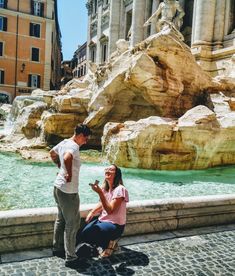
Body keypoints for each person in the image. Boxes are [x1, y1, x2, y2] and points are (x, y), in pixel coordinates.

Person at [50, 124, 92, 269]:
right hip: (68, 191)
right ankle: (71, 258)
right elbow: (67, 158)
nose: (85, 142)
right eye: (85, 138)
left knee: (61, 219)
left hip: (58, 187)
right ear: (80, 135)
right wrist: (68, 174)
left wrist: (59, 167)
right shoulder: (73, 146)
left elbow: (52, 153)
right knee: (72, 224)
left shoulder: (64, 142)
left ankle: (57, 248)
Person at [77, 164, 129, 258]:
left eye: (111, 169)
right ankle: (108, 243)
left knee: (92, 232)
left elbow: (110, 210)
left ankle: (110, 244)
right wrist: (92, 212)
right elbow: (102, 204)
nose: (107, 171)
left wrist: (100, 193)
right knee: (84, 233)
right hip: (103, 220)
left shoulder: (120, 189)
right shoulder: (105, 188)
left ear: (117, 174)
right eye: (107, 169)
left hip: (115, 225)